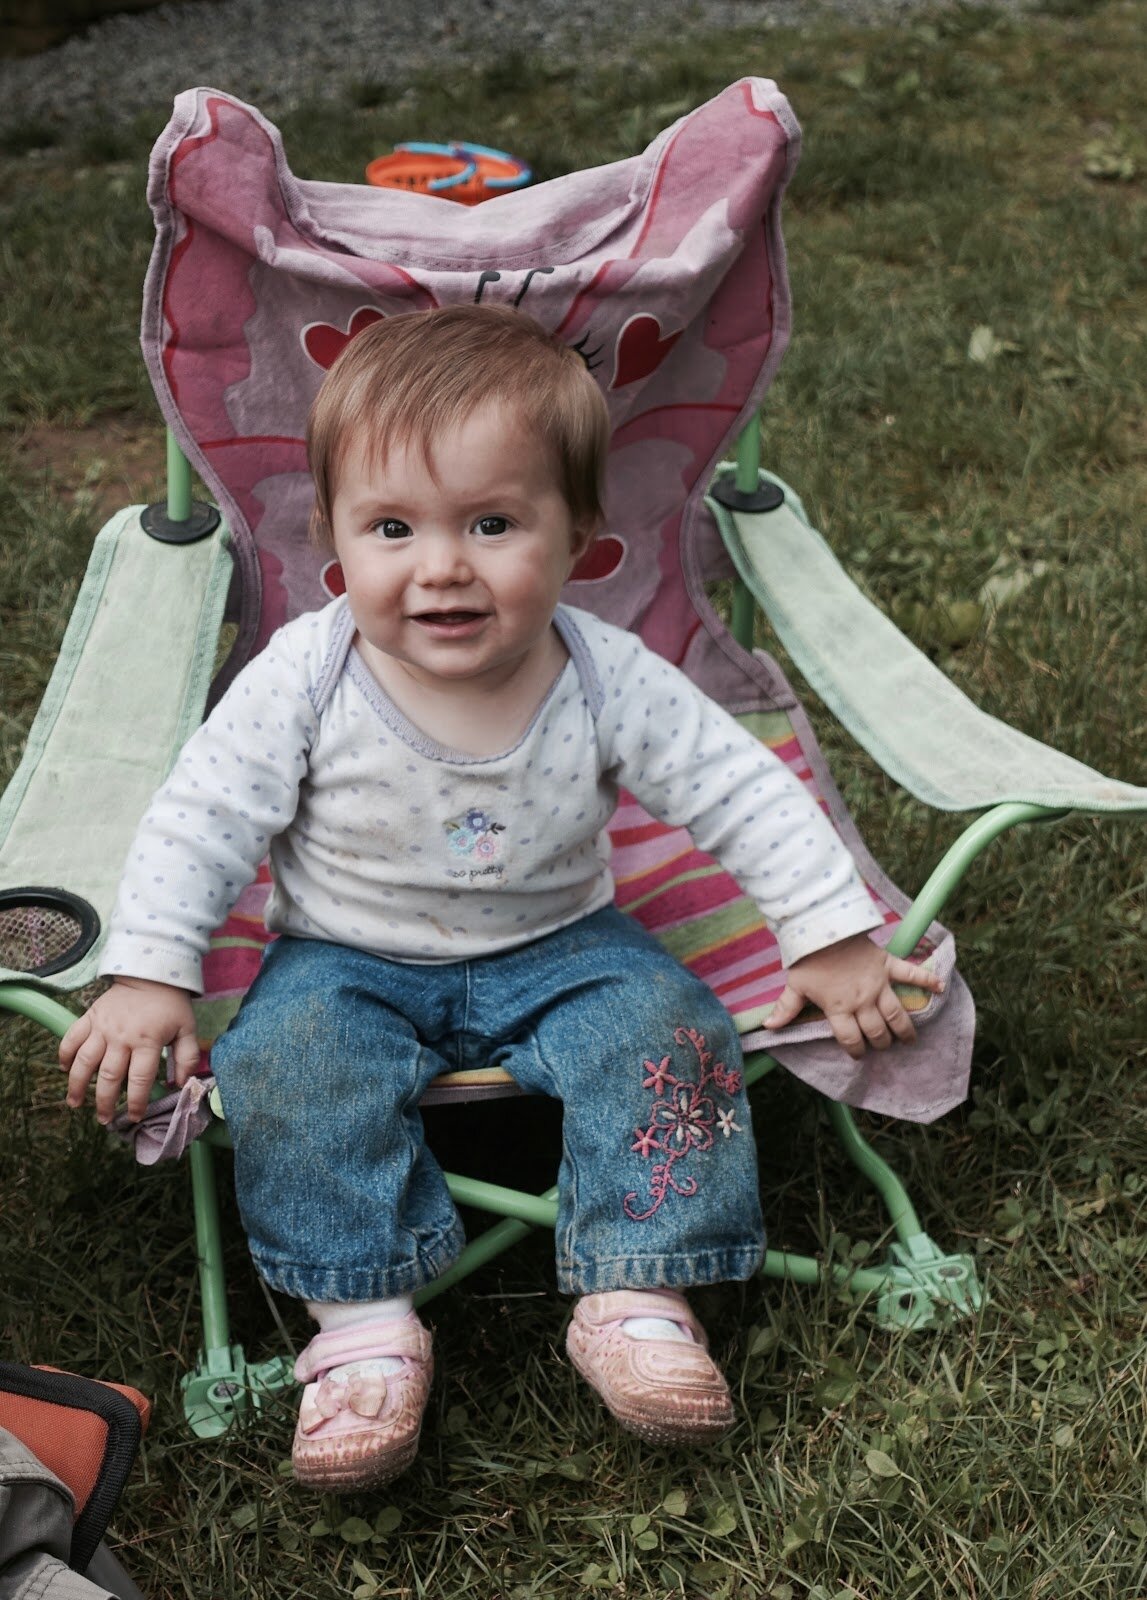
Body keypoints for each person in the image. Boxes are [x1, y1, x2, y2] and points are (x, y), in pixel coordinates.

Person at [59, 304, 943, 1490]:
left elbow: (740, 788)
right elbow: (201, 817)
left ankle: (640, 1291)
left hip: (565, 941)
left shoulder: (605, 673)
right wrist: (152, 969)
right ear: (332, 535)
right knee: (290, 1059)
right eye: (392, 527)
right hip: (346, 955)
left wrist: (827, 932)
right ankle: (361, 1323)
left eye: (491, 523)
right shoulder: (306, 676)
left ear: (577, 535)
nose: (441, 566)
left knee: (668, 1028)